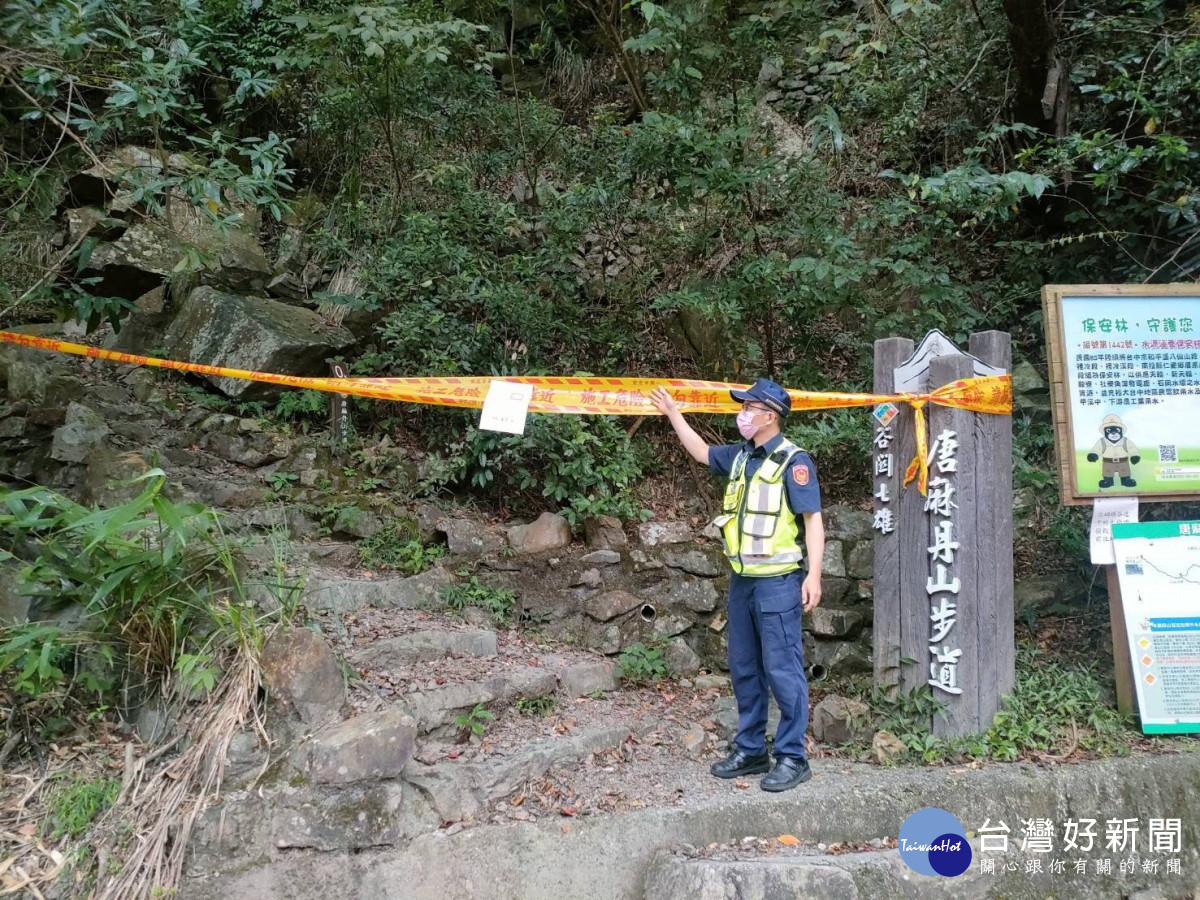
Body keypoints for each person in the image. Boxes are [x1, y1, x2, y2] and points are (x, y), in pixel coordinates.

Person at [647, 377, 823, 792]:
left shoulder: (794, 461)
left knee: (783, 671)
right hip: (743, 581)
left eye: (749, 407)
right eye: (742, 406)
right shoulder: (742, 458)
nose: (742, 413)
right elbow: (701, 451)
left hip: (779, 582)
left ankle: (793, 757)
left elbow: (813, 519)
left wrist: (813, 574)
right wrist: (674, 413)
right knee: (744, 668)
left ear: (770, 415)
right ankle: (751, 750)